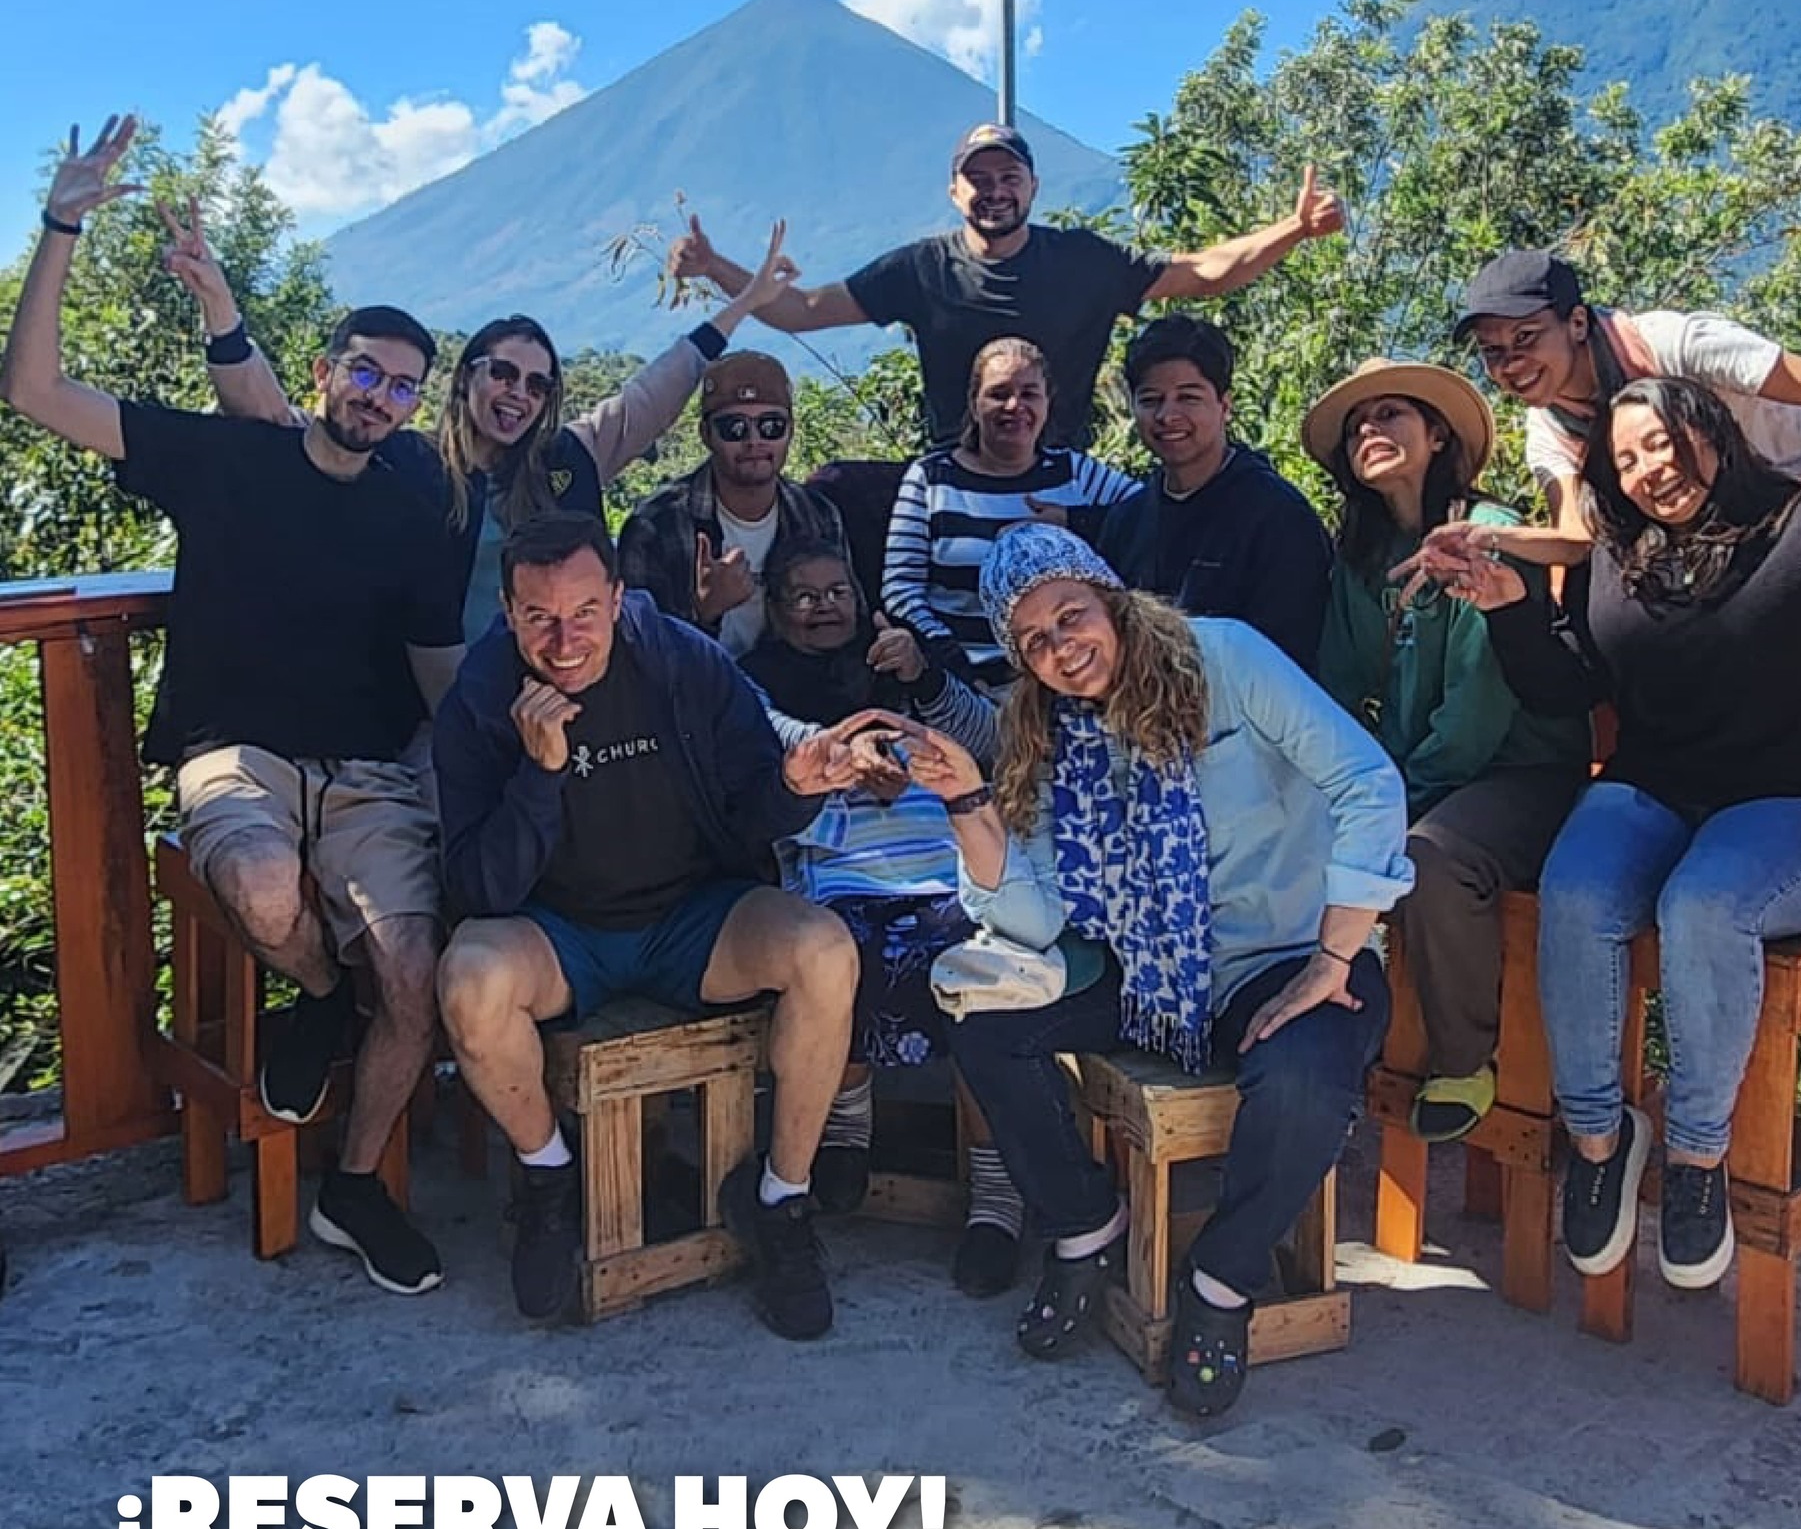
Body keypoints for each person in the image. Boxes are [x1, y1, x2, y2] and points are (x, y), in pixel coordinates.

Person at [1443, 304, 1801, 1291]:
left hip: (1799, 808)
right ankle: (1597, 1141)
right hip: (1656, 790)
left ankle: (1696, 1159)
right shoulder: (1616, 562)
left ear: (1710, 434)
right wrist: (1509, 611)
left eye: (1662, 443)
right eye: (1624, 460)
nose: (1646, 470)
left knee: (1702, 906)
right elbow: (1566, 686)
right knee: (1577, 892)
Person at [2, 116, 465, 1295]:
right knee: (263, 882)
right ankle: (315, 993)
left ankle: (353, 1188)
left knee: (413, 965)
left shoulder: (414, 504)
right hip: (238, 754)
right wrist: (62, 222)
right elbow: (37, 390)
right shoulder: (227, 456)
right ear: (321, 368)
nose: (380, 396)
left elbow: (432, 670)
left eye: (404, 387)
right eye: (363, 370)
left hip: (366, 769)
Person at [895, 526, 1414, 1419]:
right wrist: (968, 803)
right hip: (1141, 967)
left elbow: (1369, 782)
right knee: (984, 1025)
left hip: (1284, 950)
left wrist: (1334, 953)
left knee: (1304, 1082)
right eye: (1036, 643)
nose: (1064, 649)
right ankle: (1083, 1223)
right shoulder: (1048, 730)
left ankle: (1221, 1281)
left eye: (1072, 616)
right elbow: (1041, 915)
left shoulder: (1226, 658)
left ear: (1112, 600)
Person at [432, 511, 889, 1337]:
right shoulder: (481, 694)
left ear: (617, 597)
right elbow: (477, 887)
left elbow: (757, 812)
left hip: (693, 918)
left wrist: (795, 785)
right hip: (558, 933)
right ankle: (547, 1176)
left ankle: (782, 1198)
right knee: (469, 978)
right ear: (508, 610)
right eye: (539, 618)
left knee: (824, 950)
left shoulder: (682, 660)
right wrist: (539, 777)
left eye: (584, 613)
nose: (564, 640)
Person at [1438, 247, 1801, 948]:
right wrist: (1497, 547)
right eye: (1494, 354)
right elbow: (1581, 539)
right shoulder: (1549, 427)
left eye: (1527, 339)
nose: (1511, 363)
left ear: (1577, 323)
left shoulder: (1675, 341)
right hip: (1724, 536)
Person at [178, 205, 801, 642]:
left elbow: (659, 386)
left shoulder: (569, 458)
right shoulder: (403, 460)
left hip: (573, 689)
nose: (518, 395)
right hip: (436, 702)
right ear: (465, 377)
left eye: (537, 383)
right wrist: (221, 314)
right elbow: (270, 421)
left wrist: (742, 305)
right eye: (502, 373)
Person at [1302, 358, 1588, 1141]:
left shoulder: (1486, 533)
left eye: (1390, 414)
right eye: (1359, 424)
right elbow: (1335, 686)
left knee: (1428, 857)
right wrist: (1324, 794)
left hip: (1519, 772)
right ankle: (1318, 1047)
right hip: (1415, 772)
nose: (1371, 430)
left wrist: (1382, 802)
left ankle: (1464, 1060)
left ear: (1436, 435)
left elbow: (1475, 715)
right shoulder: (1361, 556)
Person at [667, 122, 1347, 445]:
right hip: (950, 479)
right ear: (954, 190)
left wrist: (1294, 229)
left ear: (1032, 187)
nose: (994, 192)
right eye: (979, 180)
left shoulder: (1082, 261)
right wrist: (718, 266)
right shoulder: (921, 269)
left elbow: (1200, 274)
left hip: (1060, 481)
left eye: (1008, 178)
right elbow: (804, 310)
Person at [741, 537, 1029, 1294]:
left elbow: (991, 739)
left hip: (943, 860)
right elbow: (759, 735)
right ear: (774, 610)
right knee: (840, 953)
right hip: (838, 863)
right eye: (801, 595)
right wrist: (845, 750)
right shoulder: (753, 679)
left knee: (983, 972)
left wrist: (923, 686)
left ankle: (998, 1196)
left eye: (836, 591)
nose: (821, 606)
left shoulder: (905, 660)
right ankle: (845, 1120)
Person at [882, 338, 1137, 688]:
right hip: (963, 689)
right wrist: (946, 654)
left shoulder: (1076, 474)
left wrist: (1076, 523)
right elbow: (900, 588)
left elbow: (1147, 517)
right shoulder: (931, 478)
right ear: (974, 404)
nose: (1014, 405)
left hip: (1069, 677)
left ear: (1047, 404)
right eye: (999, 393)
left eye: (1029, 394)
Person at [1098, 313, 1331, 671]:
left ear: (1225, 405)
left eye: (1188, 398)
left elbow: (1290, 658)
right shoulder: (1126, 521)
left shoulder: (1279, 516)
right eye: (1151, 400)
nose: (1167, 415)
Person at [616, 350, 847, 655]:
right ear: (706, 434)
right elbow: (640, 658)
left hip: (800, 691)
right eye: (734, 428)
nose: (754, 441)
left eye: (771, 426)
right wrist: (704, 614)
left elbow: (846, 630)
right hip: (700, 697)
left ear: (790, 430)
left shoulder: (816, 516)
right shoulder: (656, 526)